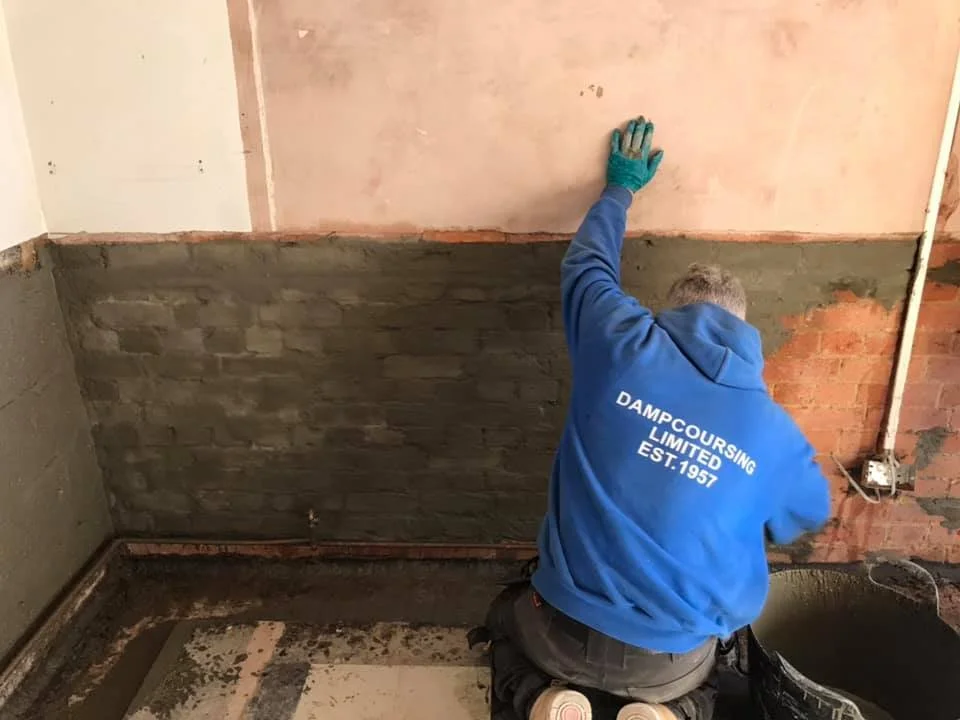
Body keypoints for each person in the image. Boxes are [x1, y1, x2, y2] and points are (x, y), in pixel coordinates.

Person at [484, 117, 831, 720]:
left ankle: (543, 700)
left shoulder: (621, 341)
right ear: (746, 331)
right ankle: (668, 715)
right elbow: (809, 513)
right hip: (670, 659)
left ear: (672, 315)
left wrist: (620, 189)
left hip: (561, 626)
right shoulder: (774, 435)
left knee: (504, 626)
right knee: (703, 686)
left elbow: (586, 264)